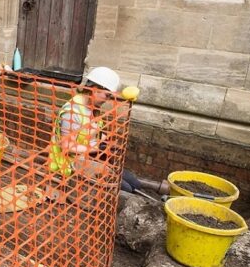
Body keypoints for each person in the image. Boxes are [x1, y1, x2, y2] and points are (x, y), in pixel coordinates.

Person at [49, 66, 165, 194]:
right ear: (94, 89)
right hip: (69, 164)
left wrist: (107, 141)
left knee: (134, 183)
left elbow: (90, 132)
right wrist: (97, 149)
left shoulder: (93, 107)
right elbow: (67, 146)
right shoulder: (72, 113)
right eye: (107, 96)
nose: (107, 100)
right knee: (126, 188)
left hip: (89, 158)